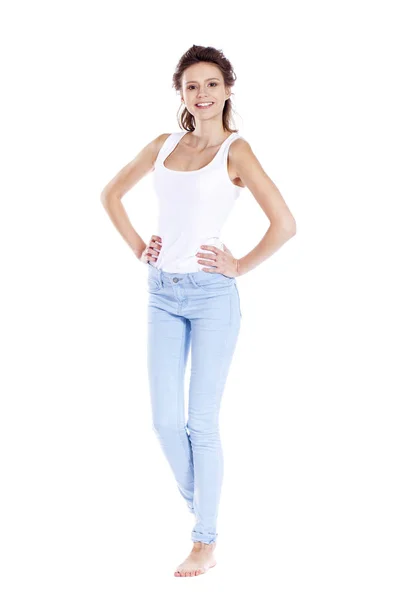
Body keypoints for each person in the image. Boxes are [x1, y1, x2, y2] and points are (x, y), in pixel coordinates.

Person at [100, 44, 296, 577]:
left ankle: (204, 539)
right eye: (191, 85)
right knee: (166, 422)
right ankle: (204, 503)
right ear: (181, 93)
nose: (202, 94)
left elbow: (284, 223)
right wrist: (140, 246)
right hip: (162, 293)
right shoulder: (163, 145)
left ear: (227, 89)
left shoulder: (237, 150)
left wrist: (240, 264)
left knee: (200, 423)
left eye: (211, 83)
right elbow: (111, 194)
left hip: (212, 298)